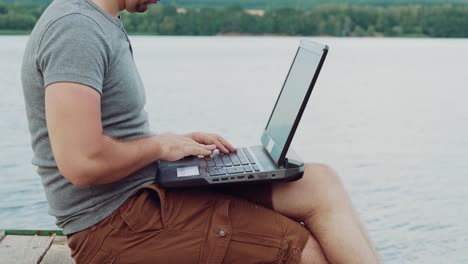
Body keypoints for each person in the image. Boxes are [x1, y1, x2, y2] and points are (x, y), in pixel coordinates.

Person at [21, 0, 380, 263]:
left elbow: (110, 135)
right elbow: (82, 162)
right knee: (303, 252)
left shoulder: (99, 22)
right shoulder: (75, 29)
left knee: (319, 182)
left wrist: (175, 144)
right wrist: (159, 146)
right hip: (114, 228)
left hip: (146, 195)